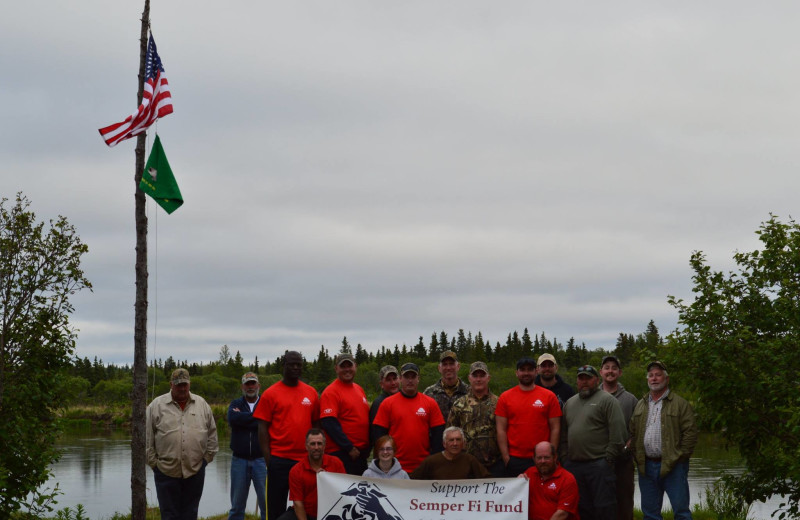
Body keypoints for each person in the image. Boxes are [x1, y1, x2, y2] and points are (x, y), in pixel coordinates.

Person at [254, 351, 320, 520]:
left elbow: (317, 426)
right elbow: (262, 429)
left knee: (307, 507)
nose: (296, 368)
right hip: (279, 460)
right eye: (292, 364)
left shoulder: (311, 393)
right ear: (284, 366)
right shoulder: (270, 394)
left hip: (305, 461)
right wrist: (269, 459)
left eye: (299, 364)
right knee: (275, 509)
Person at [146, 368, 218, 520]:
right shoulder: (156, 406)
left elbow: (212, 436)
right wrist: (155, 465)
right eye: (178, 385)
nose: (182, 388)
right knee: (169, 515)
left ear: (189, 384)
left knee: (190, 514)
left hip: (195, 471)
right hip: (165, 472)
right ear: (171, 384)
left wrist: (205, 461)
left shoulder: (202, 404)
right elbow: (146, 439)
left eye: (185, 384)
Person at [630, 361, 698, 520]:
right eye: (651, 375)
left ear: (666, 379)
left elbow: (691, 433)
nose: (654, 378)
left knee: (681, 512)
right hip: (646, 466)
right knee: (650, 514)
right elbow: (632, 431)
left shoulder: (680, 404)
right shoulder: (640, 404)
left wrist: (681, 457)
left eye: (658, 375)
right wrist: (637, 456)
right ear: (647, 379)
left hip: (674, 465)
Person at [562, 365, 627, 520]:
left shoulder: (607, 400)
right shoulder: (569, 403)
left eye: (588, 378)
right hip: (574, 465)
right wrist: (565, 458)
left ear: (596, 380)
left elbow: (618, 435)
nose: (584, 382)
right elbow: (564, 435)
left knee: (604, 509)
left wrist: (607, 460)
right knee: (581, 509)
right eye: (581, 378)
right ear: (577, 381)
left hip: (599, 465)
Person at [372, 362, 445, 474]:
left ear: (418, 379)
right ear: (401, 379)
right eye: (406, 377)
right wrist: (385, 462)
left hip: (423, 467)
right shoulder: (387, 403)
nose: (410, 380)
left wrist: (432, 461)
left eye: (413, 377)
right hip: (395, 468)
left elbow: (438, 435)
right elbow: (379, 436)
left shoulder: (430, 403)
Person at [496, 357, 562, 477]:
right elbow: (501, 429)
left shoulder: (549, 396)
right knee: (517, 496)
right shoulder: (505, 397)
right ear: (517, 373)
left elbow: (555, 428)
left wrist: (551, 455)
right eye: (522, 370)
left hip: (541, 459)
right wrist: (506, 458)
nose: (526, 373)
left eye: (530, 369)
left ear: (536, 371)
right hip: (514, 458)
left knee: (541, 495)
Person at [600, 355, 639, 520]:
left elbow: (637, 430)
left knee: (624, 504)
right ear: (601, 372)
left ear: (620, 372)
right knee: (601, 504)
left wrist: (628, 446)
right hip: (598, 462)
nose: (610, 371)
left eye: (614, 368)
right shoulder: (592, 397)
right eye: (607, 368)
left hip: (623, 462)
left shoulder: (630, 400)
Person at [447, 361, 503, 476]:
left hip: (495, 465)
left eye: (482, 375)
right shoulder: (459, 404)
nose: (478, 379)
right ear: (469, 378)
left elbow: (505, 432)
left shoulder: (499, 402)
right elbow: (450, 433)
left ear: (488, 378)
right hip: (465, 465)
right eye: (475, 376)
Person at [278, 428, 346, 520]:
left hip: (330, 512)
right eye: (313, 444)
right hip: (306, 513)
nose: (316, 447)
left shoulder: (336, 463)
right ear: (306, 446)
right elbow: (298, 503)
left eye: (319, 443)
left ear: (325, 445)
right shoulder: (296, 470)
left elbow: (343, 493)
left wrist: (328, 479)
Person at [319, 353, 370, 475]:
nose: (347, 369)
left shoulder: (359, 389)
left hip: (359, 454)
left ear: (355, 366)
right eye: (343, 366)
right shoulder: (331, 392)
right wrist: (349, 448)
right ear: (336, 368)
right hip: (342, 453)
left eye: (350, 365)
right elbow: (329, 423)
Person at [227, 372, 266, 520]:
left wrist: (244, 418)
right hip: (239, 460)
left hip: (261, 460)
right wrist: (258, 418)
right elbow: (233, 419)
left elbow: (268, 421)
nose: (250, 387)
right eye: (247, 384)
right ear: (242, 386)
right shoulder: (235, 404)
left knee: (266, 504)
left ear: (258, 385)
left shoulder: (265, 402)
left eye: (253, 383)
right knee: (237, 505)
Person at [519, 442, 579, 520]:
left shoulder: (567, 479)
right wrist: (518, 484)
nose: (543, 461)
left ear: (555, 457)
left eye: (547, 457)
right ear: (534, 459)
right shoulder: (529, 473)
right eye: (539, 458)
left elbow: (562, 514)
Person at [411, 426, 491, 479]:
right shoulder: (431, 461)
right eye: (451, 440)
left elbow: (488, 480)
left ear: (463, 443)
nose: (455, 444)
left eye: (458, 440)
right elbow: (412, 481)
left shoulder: (470, 460)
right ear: (444, 444)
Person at [423, 350, 469, 420]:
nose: (448, 368)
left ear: (458, 366)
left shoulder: (469, 392)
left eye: (451, 364)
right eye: (444, 364)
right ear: (439, 368)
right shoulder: (429, 393)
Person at [368, 365, 399, 443]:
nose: (393, 383)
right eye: (388, 380)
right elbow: (376, 434)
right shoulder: (379, 403)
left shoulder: (404, 398)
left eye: (395, 379)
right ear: (381, 384)